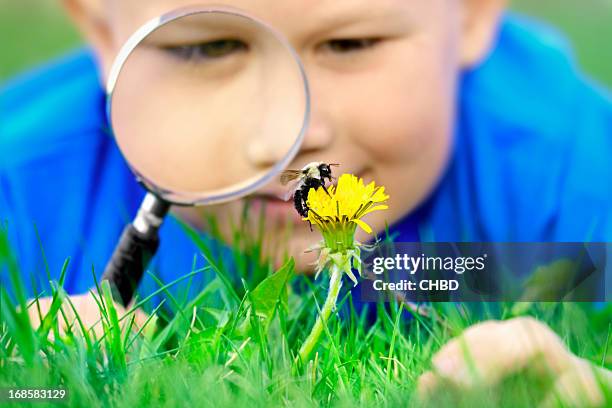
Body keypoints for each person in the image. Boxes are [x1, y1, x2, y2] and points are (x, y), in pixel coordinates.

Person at [1, 0, 611, 403]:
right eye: (208, 48)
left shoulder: (572, 179)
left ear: (474, 14)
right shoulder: (17, 186)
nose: (280, 142)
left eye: (350, 44)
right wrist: (29, 384)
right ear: (103, 32)